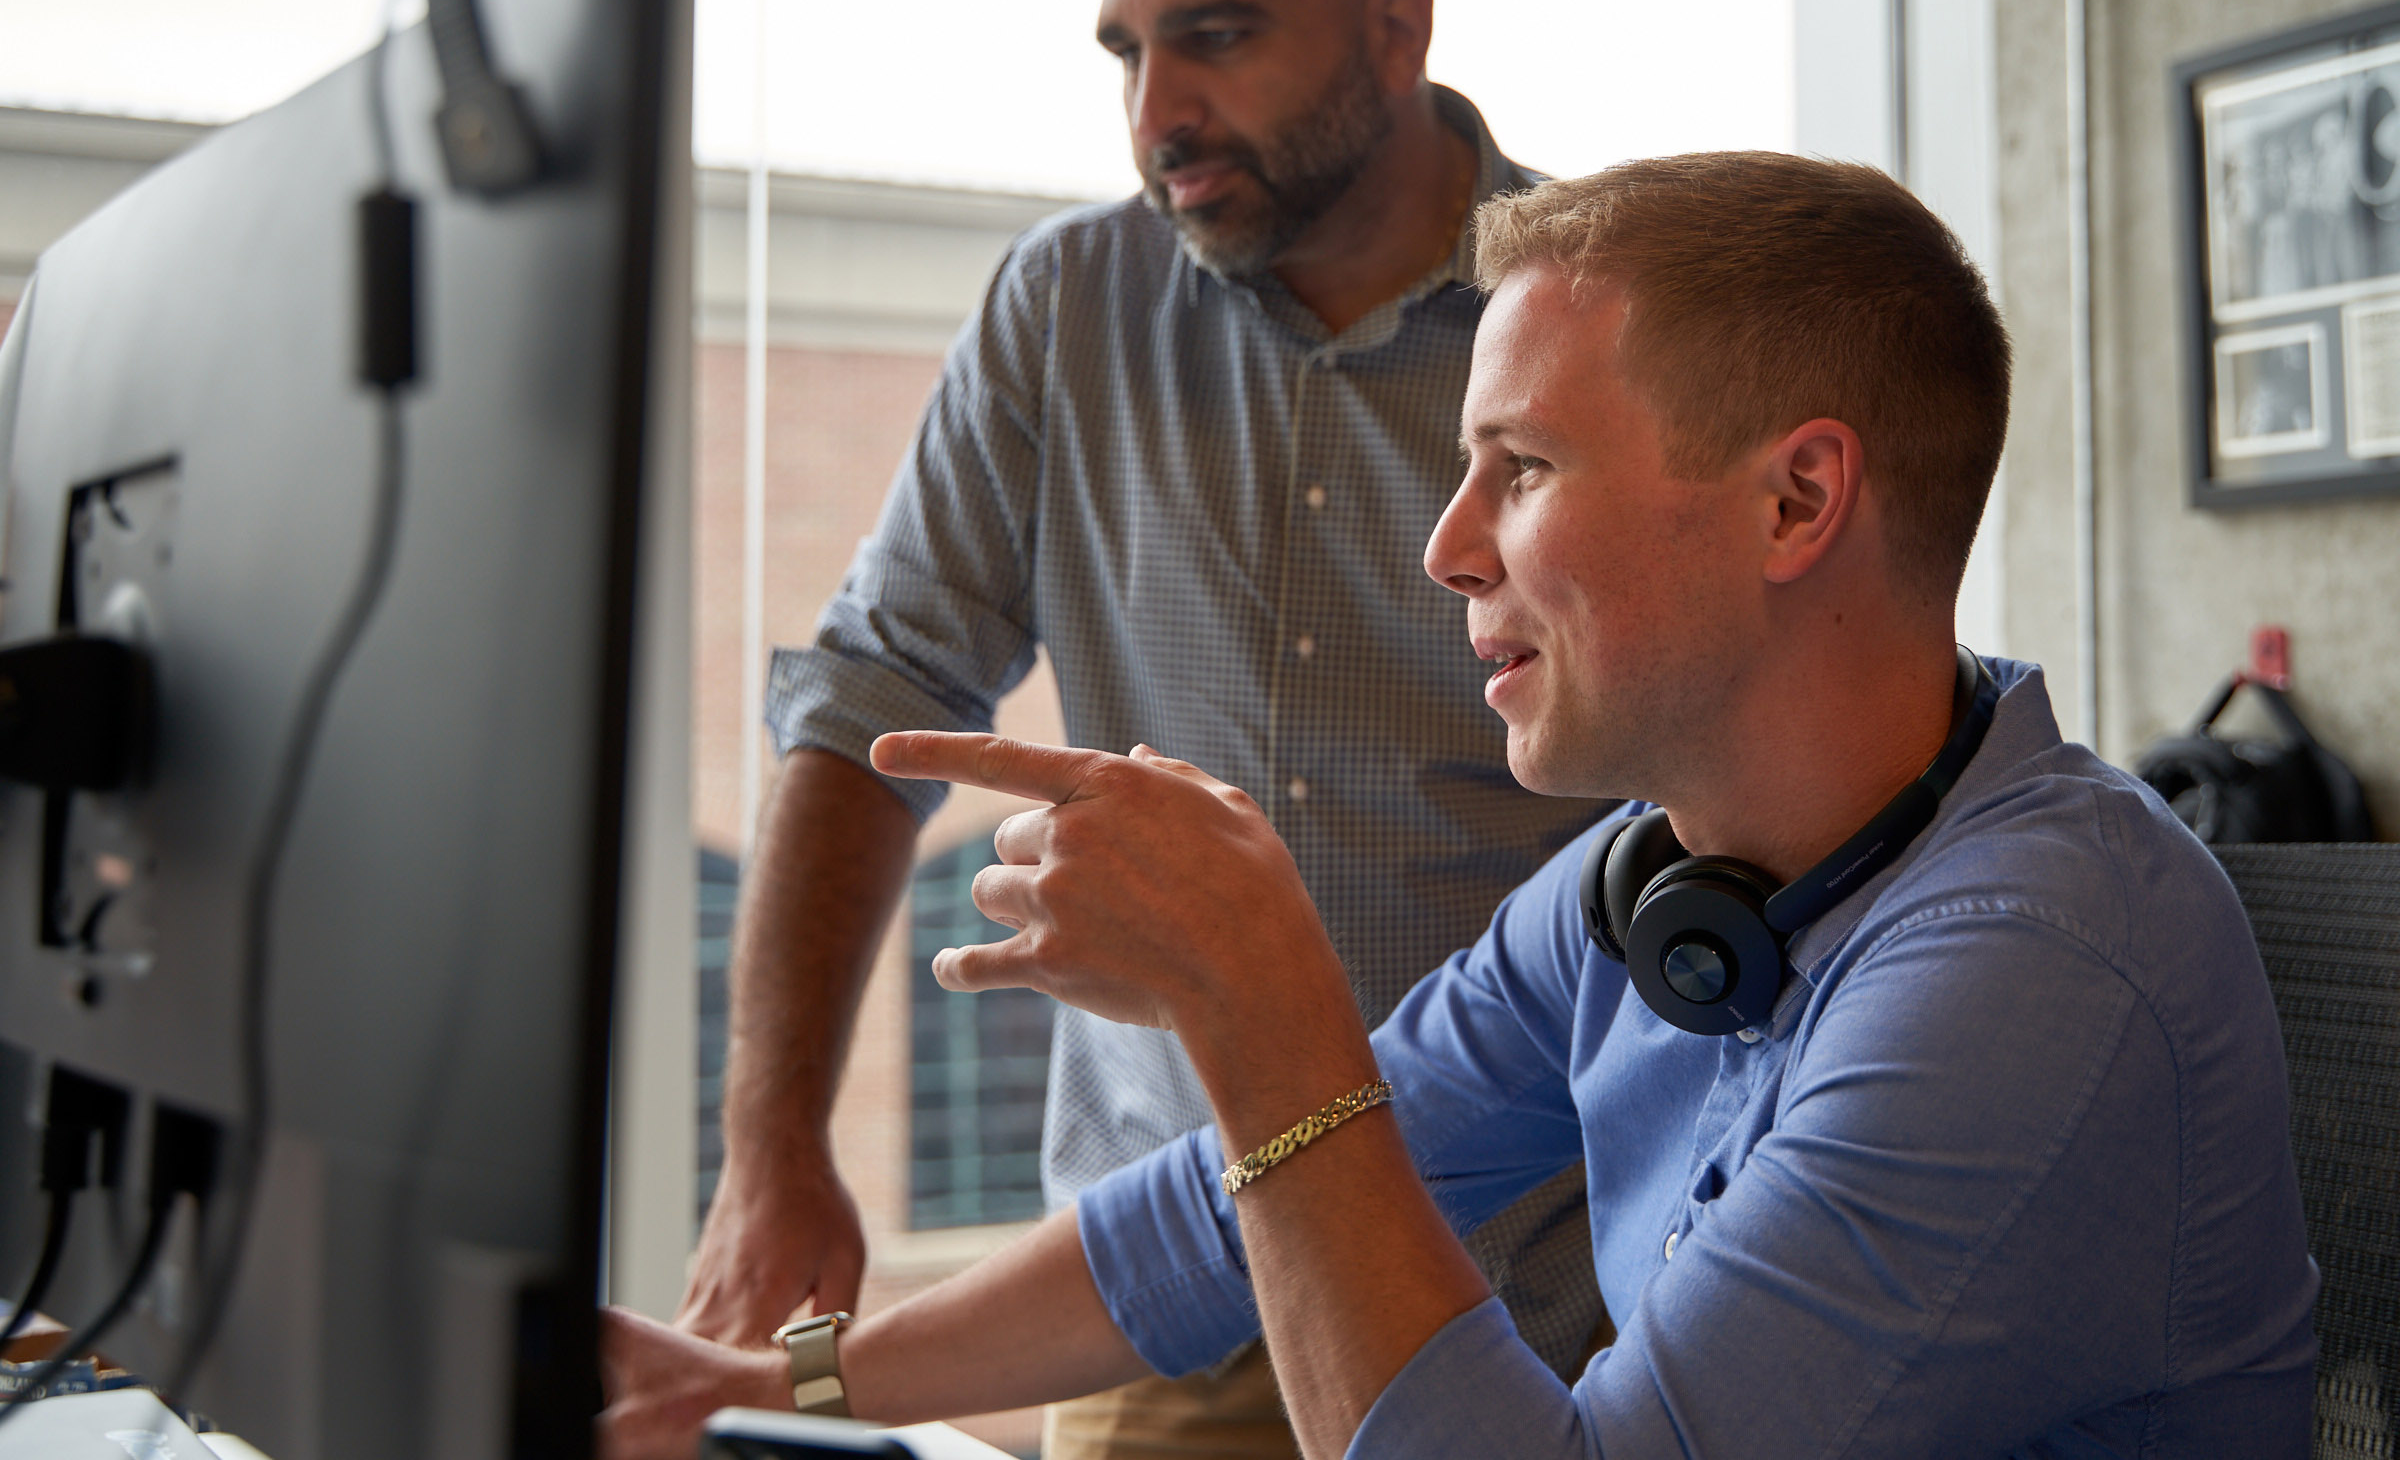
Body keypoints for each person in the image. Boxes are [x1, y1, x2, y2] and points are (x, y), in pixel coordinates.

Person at [603, 153, 2318, 1459]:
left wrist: (1257, 1003)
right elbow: (1202, 1224)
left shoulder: (2039, 966)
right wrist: (769, 1383)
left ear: (1799, 500)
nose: (1448, 546)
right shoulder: (1642, 890)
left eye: (1527, 467)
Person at [678, 0, 1608, 1452]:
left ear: (1399, 32)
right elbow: (868, 707)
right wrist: (771, 1157)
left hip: (1537, 1297)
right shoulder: (1066, 307)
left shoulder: (1587, 315)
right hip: (1170, 1295)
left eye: (1219, 37)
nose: (1155, 108)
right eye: (1126, 51)